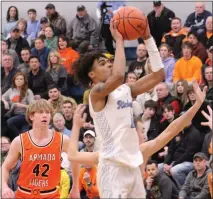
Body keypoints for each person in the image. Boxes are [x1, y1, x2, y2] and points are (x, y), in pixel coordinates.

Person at [70, 19, 164, 198]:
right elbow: (119, 76)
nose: (108, 64)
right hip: (112, 168)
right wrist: (119, 42)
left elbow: (159, 74)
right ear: (92, 74)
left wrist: (148, 38)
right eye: (102, 63)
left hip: (132, 165)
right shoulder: (95, 93)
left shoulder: (126, 89)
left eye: (109, 61)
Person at [68, 80, 207, 198]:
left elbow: (171, 130)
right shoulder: (110, 154)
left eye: (143, 131)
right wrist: (76, 126)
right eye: (139, 131)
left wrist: (196, 106)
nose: (143, 134)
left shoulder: (142, 150)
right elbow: (73, 156)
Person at [1, 99, 79, 199]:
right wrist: (4, 187)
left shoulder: (63, 139)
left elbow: (76, 161)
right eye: (41, 112)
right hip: (25, 194)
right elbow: (5, 167)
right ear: (31, 116)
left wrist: (76, 186)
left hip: (51, 194)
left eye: (47, 112)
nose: (45, 115)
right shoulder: (19, 141)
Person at [2, 72, 34, 139]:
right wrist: (5, 102)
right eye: (17, 79)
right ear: (14, 80)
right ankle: (21, 139)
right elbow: (2, 97)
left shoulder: (28, 91)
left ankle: (20, 139)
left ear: (24, 81)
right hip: (14, 114)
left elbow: (33, 107)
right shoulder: (11, 90)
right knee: (24, 134)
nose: (19, 80)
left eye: (21, 79)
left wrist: (21, 105)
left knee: (9, 122)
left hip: (25, 115)